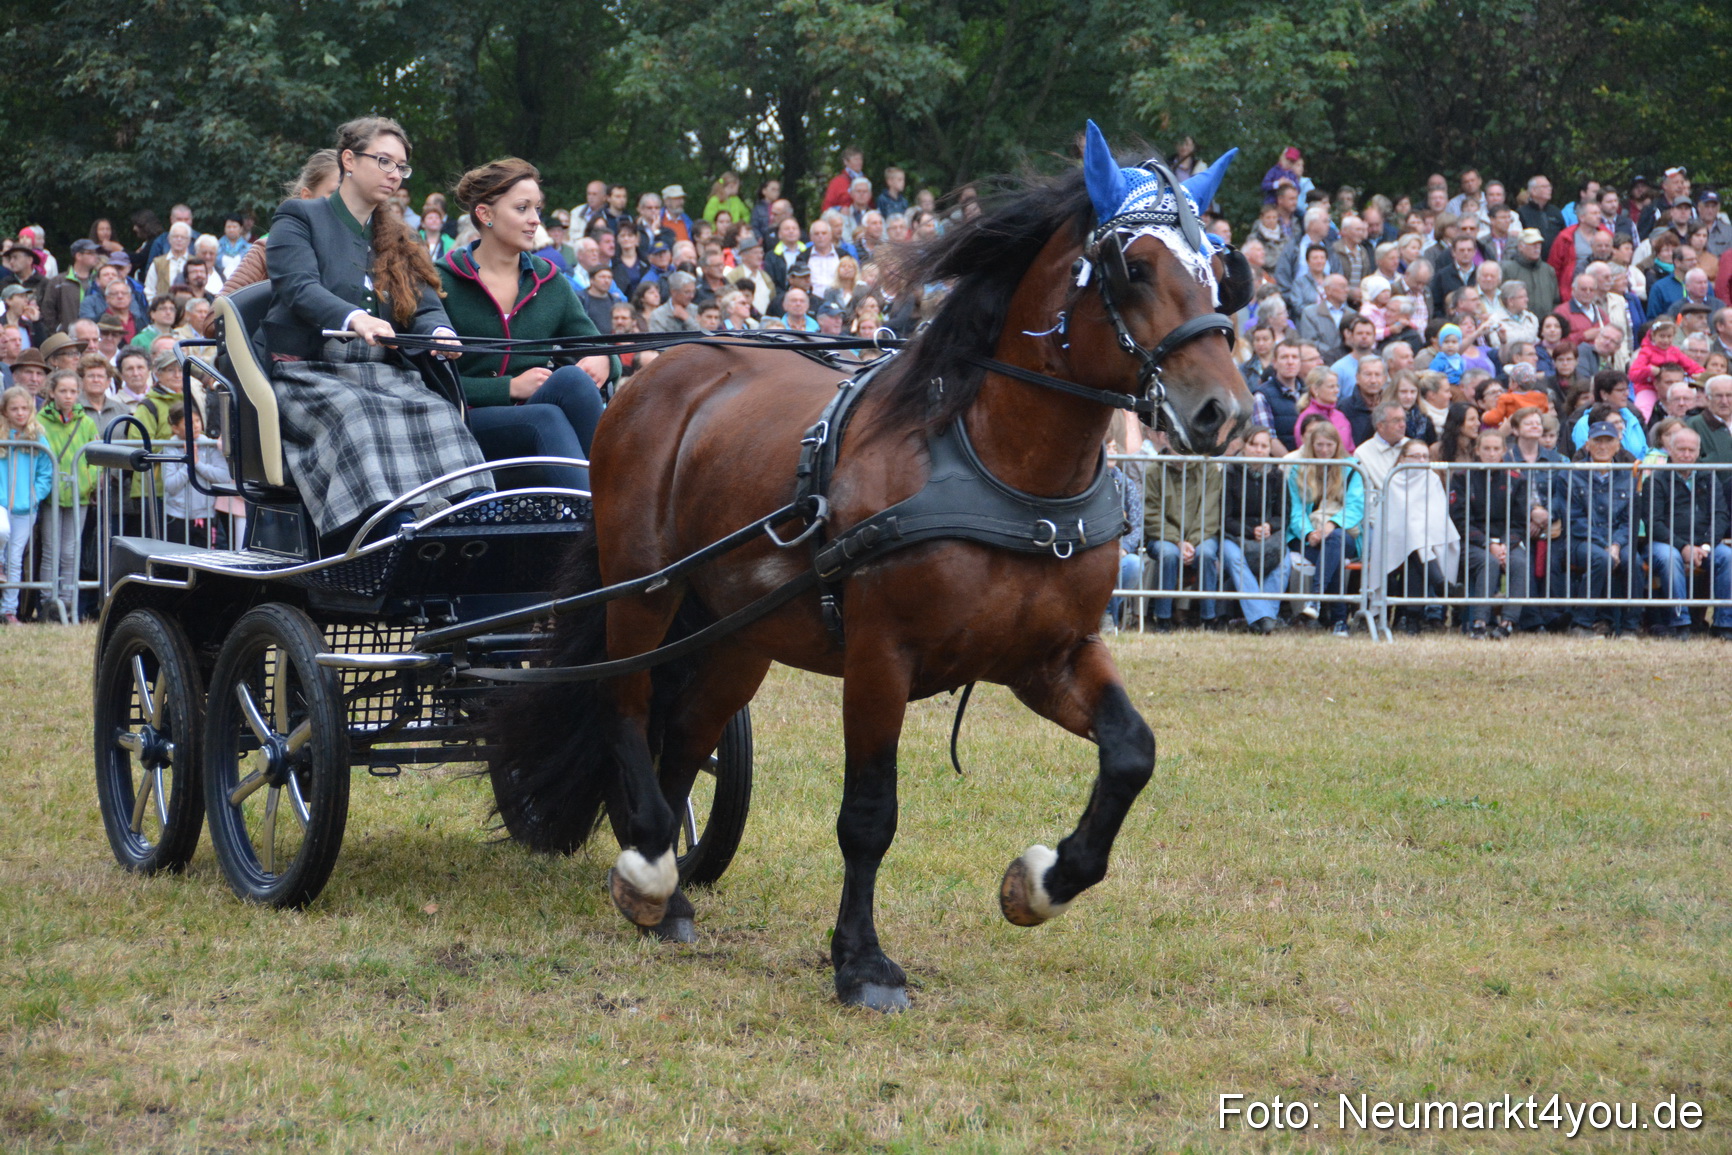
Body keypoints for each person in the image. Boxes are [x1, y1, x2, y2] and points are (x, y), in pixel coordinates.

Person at [263, 116, 489, 550]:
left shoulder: (397, 234)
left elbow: (423, 305)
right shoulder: (299, 216)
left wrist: (438, 331)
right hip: (309, 371)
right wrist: (354, 318)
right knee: (358, 414)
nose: (394, 174)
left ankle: (474, 515)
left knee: (439, 410)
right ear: (348, 159)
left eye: (401, 167)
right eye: (383, 161)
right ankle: (392, 532)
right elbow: (298, 287)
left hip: (381, 373)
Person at [439, 158, 615, 495]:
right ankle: (593, 521)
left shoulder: (551, 280)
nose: (535, 220)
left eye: (537, 208)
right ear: (485, 214)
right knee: (545, 417)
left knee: (573, 380)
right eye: (522, 208)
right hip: (462, 421)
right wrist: (508, 388)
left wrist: (604, 361)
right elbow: (426, 380)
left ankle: (615, 500)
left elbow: (595, 344)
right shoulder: (442, 281)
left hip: (535, 408)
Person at [1642, 426, 1731, 638]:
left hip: (1704, 543)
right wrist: (1683, 547)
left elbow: (1720, 515)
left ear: (1699, 452)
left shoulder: (1708, 477)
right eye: (1681, 449)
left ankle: (1724, 623)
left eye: (1692, 450)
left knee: (1728, 557)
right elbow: (1654, 523)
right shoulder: (1656, 479)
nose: (1687, 455)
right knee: (1670, 558)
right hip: (1665, 543)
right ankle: (1679, 622)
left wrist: (1706, 545)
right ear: (1669, 450)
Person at [1287, 418, 1363, 636]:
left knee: (1336, 540)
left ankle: (1316, 598)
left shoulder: (1351, 468)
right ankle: (1339, 620)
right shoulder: (1298, 470)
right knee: (1333, 553)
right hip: (1307, 535)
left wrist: (1332, 524)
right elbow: (1295, 510)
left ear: (1337, 445)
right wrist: (1308, 532)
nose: (1324, 450)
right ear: (1311, 445)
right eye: (1319, 445)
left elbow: (1356, 506)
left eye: (1329, 445)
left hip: (1342, 532)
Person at [1448, 428, 1528, 637]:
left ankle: (1508, 623)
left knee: (1519, 562)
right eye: (1486, 449)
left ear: (1504, 450)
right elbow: (1460, 520)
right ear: (1477, 451)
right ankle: (1480, 622)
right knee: (1488, 562)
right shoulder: (1462, 477)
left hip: (1506, 540)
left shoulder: (1516, 479)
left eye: (1495, 449)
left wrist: (1504, 544)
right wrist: (1488, 544)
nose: (1491, 453)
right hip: (1473, 540)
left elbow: (1519, 522)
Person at [1373, 437, 1458, 634]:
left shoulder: (1433, 479)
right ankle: (1438, 585)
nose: (1421, 461)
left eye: (1425, 457)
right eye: (1416, 456)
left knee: (1415, 549)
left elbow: (1437, 514)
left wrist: (1421, 533)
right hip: (1394, 537)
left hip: (1428, 537)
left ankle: (1412, 617)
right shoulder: (1393, 479)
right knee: (1414, 542)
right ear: (1402, 459)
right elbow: (1395, 517)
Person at [1141, 444, 1223, 631]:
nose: (1181, 447)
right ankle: (1163, 618)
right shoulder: (1154, 470)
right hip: (1164, 537)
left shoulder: (1208, 468)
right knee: (1169, 554)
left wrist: (1191, 543)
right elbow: (1150, 513)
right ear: (1166, 441)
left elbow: (1210, 511)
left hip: (1202, 535)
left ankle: (1208, 619)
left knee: (1207, 554)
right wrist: (1178, 541)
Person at [1566, 421, 1637, 636]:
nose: (1603, 446)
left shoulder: (1628, 476)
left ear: (1618, 445)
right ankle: (1581, 623)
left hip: (1618, 540)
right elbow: (1574, 519)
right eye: (1598, 441)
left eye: (1609, 441)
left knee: (1633, 561)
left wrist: (1615, 544)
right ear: (1587, 444)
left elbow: (1629, 520)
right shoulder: (1570, 474)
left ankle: (1629, 627)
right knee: (1601, 559)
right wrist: (1603, 545)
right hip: (1582, 540)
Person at [37, 371, 97, 620]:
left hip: (78, 494)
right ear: (52, 392)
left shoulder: (87, 422)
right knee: (51, 550)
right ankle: (47, 603)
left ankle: (68, 602)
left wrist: (90, 481)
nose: (69, 396)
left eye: (73, 391)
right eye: (63, 391)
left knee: (72, 551)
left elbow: (95, 457)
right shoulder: (40, 421)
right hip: (52, 494)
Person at [1220, 426, 1291, 633]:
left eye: (1264, 446)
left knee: (1284, 561)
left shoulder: (1277, 475)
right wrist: (1251, 531)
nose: (1258, 450)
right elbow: (1225, 518)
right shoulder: (1230, 472)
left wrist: (1270, 526)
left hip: (1268, 534)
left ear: (1270, 449)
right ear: (1244, 446)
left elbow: (1283, 514)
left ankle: (1263, 618)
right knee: (1234, 559)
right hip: (1234, 534)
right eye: (1253, 445)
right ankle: (1263, 617)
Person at [0, 385, 53, 624]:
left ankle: (9, 610)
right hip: (1, 504)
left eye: (24, 408)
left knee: (16, 558)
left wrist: (35, 495)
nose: (20, 413)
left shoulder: (37, 437)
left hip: (25, 507)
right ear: (5, 411)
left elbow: (46, 471)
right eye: (14, 409)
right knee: (2, 532)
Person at [161, 402, 233, 548]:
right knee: (176, 561)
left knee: (203, 559)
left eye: (197, 421)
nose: (195, 426)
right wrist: (188, 464)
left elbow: (224, 476)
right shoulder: (170, 447)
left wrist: (197, 464)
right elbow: (170, 485)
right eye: (188, 423)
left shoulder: (208, 444)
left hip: (205, 514)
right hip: (177, 515)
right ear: (175, 428)